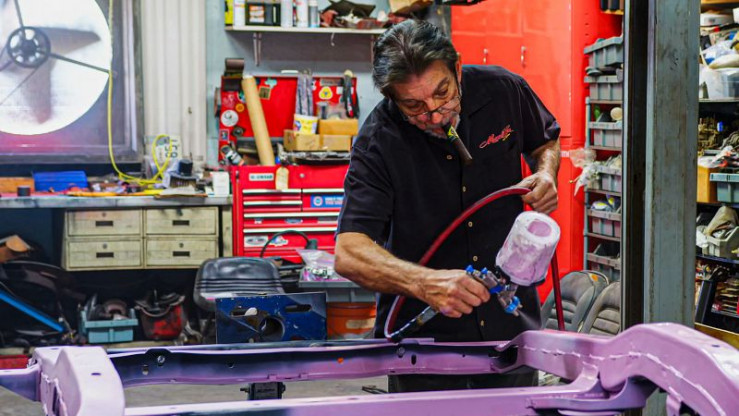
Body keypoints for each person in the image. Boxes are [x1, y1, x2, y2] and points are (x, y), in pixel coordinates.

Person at [334, 20, 561, 393]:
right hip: (425, 348)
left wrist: (547, 173)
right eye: (414, 106)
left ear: (457, 67)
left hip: (511, 334)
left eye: (443, 93)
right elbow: (349, 253)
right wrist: (425, 283)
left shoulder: (504, 90)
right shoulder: (378, 141)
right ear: (392, 99)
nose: (436, 115)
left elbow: (545, 141)